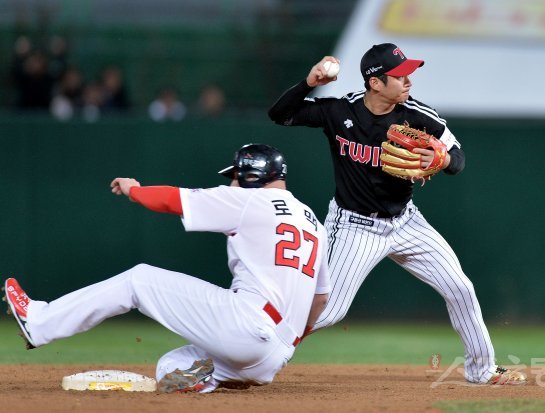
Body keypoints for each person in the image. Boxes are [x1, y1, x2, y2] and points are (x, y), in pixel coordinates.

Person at [268, 43, 526, 385]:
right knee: (328, 311)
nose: (409, 81)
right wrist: (309, 83)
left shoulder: (418, 115)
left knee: (460, 288)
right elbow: (280, 114)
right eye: (400, 76)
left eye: (409, 74)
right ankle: (248, 352)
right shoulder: (339, 111)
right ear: (375, 83)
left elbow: (457, 156)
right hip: (354, 226)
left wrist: (445, 160)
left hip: (406, 222)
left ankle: (482, 370)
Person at [3, 143, 330, 393]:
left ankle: (39, 321)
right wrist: (285, 345)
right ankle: (213, 380)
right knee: (170, 367)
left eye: (234, 177)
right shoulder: (315, 225)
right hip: (273, 357)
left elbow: (175, 200)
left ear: (251, 176)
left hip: (245, 324)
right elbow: (321, 299)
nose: (232, 184)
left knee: (138, 280)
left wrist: (134, 190)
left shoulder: (250, 200)